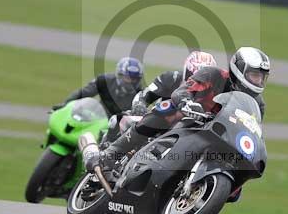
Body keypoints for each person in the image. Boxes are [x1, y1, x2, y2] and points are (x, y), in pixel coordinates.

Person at [86, 47, 270, 202]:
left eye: (262, 77)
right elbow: (183, 91)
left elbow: (251, 126)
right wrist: (186, 102)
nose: (258, 81)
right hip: (187, 119)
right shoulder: (212, 74)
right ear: (239, 69)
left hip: (214, 133)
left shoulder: (258, 103)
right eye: (254, 75)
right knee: (165, 108)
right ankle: (110, 154)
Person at [130, 51, 218, 116]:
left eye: (205, 79)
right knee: (125, 120)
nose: (199, 83)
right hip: (160, 129)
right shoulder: (171, 78)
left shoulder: (218, 93)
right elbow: (144, 95)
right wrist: (139, 105)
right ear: (187, 72)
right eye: (196, 77)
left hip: (196, 134)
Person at [57, 57, 144, 117]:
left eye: (134, 79)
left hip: (119, 128)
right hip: (98, 119)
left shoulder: (141, 94)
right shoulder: (105, 81)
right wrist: (65, 106)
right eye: (127, 78)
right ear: (120, 75)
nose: (130, 81)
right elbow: (84, 93)